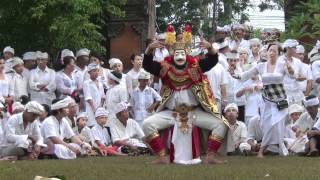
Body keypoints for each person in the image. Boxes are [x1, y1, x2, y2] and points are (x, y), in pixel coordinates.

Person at [142, 31, 228, 164]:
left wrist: (210, 48)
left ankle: (210, 156)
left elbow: (212, 60)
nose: (180, 56)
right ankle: (162, 157)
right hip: (172, 113)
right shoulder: (165, 68)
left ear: (187, 54)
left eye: (182, 53)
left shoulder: (197, 67)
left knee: (221, 124)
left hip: (193, 113)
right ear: (172, 54)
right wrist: (149, 49)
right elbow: (147, 66)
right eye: (177, 54)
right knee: (147, 124)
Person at [234, 43, 294, 158]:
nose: (271, 53)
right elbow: (246, 75)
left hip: (281, 101)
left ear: (279, 54)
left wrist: (290, 69)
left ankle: (261, 151)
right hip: (266, 101)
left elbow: (292, 75)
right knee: (267, 126)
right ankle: (273, 149)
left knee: (277, 125)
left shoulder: (283, 64)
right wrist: (234, 75)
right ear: (267, 52)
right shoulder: (261, 66)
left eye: (274, 51)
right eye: (270, 50)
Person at [280, 39, 305, 105]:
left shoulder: (298, 61)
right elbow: (289, 74)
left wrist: (302, 78)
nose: (296, 49)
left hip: (297, 93)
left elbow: (302, 75)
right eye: (294, 47)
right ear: (288, 48)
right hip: (285, 94)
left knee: (299, 112)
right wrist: (296, 76)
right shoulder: (280, 60)